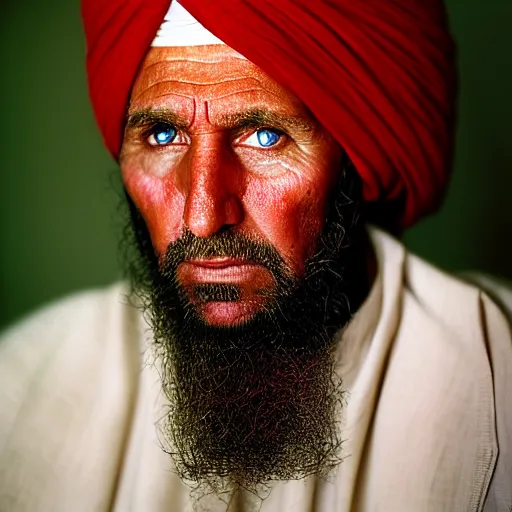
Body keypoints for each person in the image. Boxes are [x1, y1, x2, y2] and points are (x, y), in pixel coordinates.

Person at [0, 1, 511, 511]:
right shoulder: (23, 391)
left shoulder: (497, 382)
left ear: (354, 157)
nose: (202, 216)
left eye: (265, 137)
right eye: (162, 135)